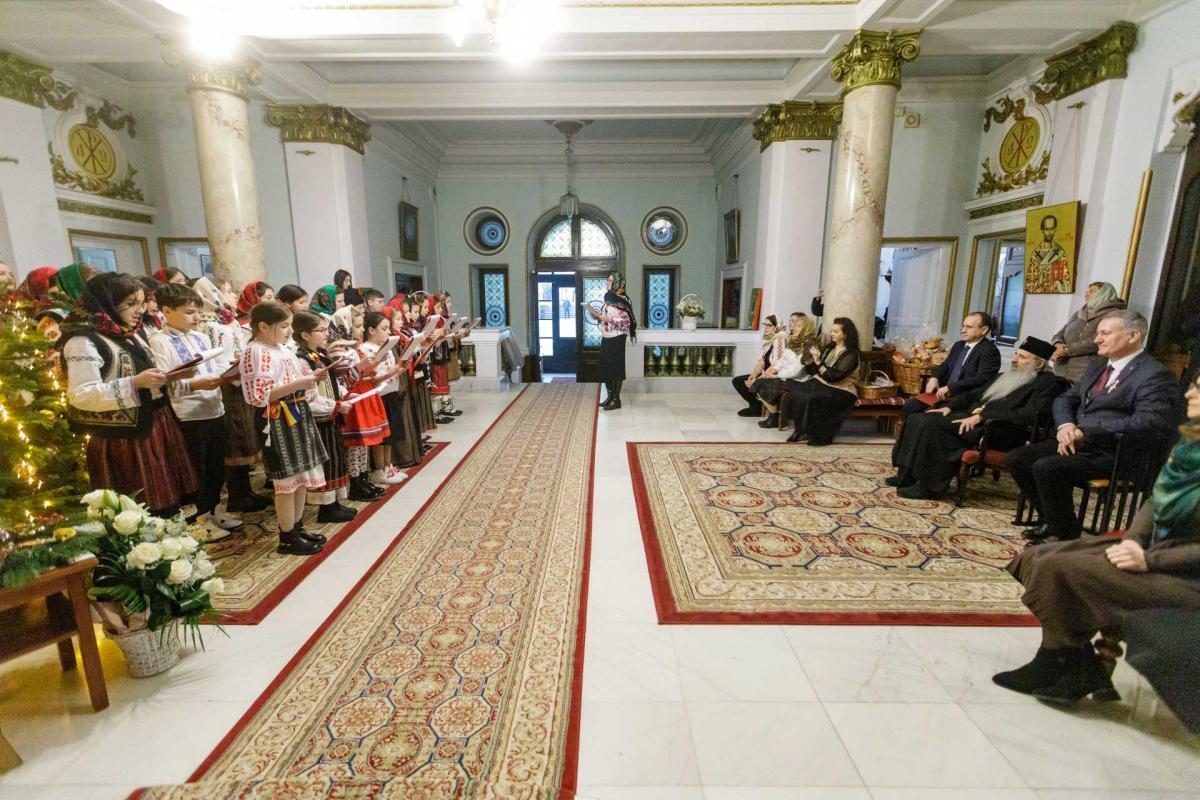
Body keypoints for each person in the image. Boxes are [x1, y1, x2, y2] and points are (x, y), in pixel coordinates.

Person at [993, 371, 1200, 705]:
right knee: (1037, 556)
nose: (1189, 394)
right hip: (1154, 548)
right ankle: (1069, 659)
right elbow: (1156, 500)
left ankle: (1060, 659)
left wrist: (1149, 559)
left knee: (1057, 567)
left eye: (1199, 390)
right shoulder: (1191, 444)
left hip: (1184, 575)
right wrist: (1132, 540)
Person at [1007, 310, 1181, 545]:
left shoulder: (1154, 374)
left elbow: (1148, 421)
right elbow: (1066, 399)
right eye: (1098, 333)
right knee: (1018, 459)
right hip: (1079, 442)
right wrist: (1066, 426)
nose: (1097, 339)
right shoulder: (1098, 365)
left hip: (1116, 451)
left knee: (1048, 467)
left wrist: (1088, 430)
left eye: (1105, 333)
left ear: (1133, 336)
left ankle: (1063, 533)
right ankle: (1055, 520)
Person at [58, 272, 197, 517]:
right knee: (140, 504)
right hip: (124, 438)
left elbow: (144, 375)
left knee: (167, 498)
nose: (139, 311)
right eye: (131, 303)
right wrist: (134, 383)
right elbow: (81, 394)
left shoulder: (130, 333)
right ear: (108, 302)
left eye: (142, 303)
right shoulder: (83, 341)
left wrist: (171, 377)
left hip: (155, 423)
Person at [889, 337, 1063, 499]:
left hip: (1001, 429)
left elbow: (1029, 414)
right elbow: (975, 394)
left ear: (1039, 363)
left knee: (931, 425)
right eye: (1016, 354)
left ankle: (928, 487)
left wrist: (982, 417)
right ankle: (907, 475)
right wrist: (950, 406)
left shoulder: (1048, 383)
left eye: (1022, 357)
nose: (1014, 359)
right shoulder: (1006, 375)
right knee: (917, 418)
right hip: (974, 419)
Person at [148, 283, 242, 540]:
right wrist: (195, 384)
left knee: (216, 467)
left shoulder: (200, 337)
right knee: (196, 470)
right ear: (167, 311)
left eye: (198, 312)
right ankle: (199, 520)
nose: (196, 317)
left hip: (214, 408)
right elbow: (164, 383)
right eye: (189, 312)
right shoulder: (159, 342)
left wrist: (226, 375)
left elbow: (214, 367)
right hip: (188, 414)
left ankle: (213, 511)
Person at [240, 302, 328, 556]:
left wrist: (310, 379)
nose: (290, 331)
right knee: (287, 480)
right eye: (284, 326)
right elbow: (259, 396)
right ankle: (287, 536)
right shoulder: (256, 351)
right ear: (263, 326)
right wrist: (299, 383)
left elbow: (292, 380)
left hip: (297, 411)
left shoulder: (281, 348)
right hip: (277, 418)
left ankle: (297, 527)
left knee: (301, 477)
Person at [194, 277, 269, 513]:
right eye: (227, 291)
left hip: (239, 384)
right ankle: (237, 495)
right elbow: (213, 356)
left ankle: (246, 491)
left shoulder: (229, 319)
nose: (233, 295)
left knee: (244, 438)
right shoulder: (208, 324)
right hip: (225, 387)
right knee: (233, 441)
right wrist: (228, 372)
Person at [292, 310, 358, 523]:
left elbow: (331, 383)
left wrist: (344, 394)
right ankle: (326, 507)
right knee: (325, 463)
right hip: (318, 419)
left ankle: (335, 502)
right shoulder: (302, 361)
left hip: (330, 416)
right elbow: (308, 398)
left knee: (335, 458)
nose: (326, 334)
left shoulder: (319, 355)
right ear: (305, 335)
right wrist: (335, 405)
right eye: (320, 330)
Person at [901, 311, 1002, 417]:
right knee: (909, 406)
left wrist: (951, 387)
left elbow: (982, 379)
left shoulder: (990, 351)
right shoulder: (959, 345)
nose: (963, 330)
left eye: (969, 327)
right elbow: (945, 366)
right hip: (942, 395)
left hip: (963, 399)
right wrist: (934, 378)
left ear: (984, 330)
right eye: (963, 326)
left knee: (924, 419)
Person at [783, 317, 861, 446]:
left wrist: (819, 361)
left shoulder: (851, 354)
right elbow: (813, 371)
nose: (832, 334)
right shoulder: (829, 348)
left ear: (846, 334)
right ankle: (800, 429)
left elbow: (833, 377)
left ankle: (816, 434)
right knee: (795, 393)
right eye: (832, 331)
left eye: (836, 331)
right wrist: (810, 360)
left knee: (813, 398)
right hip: (823, 384)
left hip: (842, 389)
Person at [360, 311, 409, 485]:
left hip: (391, 393)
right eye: (384, 328)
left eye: (388, 328)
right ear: (371, 330)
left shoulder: (385, 347)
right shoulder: (366, 350)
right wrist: (392, 372)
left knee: (391, 434)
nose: (388, 332)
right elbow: (371, 379)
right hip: (379, 396)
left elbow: (390, 372)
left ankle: (388, 466)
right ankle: (379, 469)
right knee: (381, 437)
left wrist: (400, 369)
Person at [749, 314, 818, 428]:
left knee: (762, 383)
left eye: (799, 327)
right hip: (787, 377)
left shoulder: (808, 345)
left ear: (807, 329)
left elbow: (796, 371)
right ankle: (773, 416)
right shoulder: (793, 341)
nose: (794, 328)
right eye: (795, 326)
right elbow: (782, 359)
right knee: (759, 382)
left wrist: (776, 376)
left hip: (800, 382)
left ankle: (774, 417)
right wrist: (774, 370)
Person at [1050, 281, 1127, 382]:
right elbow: (1062, 331)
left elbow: (1097, 341)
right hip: (1060, 369)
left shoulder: (1114, 314)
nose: (1086, 294)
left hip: (1084, 373)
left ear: (1104, 293)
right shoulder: (1080, 312)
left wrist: (1067, 350)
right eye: (1087, 291)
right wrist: (1057, 344)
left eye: (1091, 291)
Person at [588, 272, 637, 410]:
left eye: (610, 281)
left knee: (616, 369)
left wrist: (610, 319)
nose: (607, 283)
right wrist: (598, 317)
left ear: (617, 283)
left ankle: (616, 399)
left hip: (617, 338)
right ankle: (610, 397)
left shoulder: (623, 300)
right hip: (607, 337)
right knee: (606, 368)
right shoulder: (608, 298)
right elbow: (606, 315)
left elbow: (627, 322)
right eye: (607, 280)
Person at [732, 315, 782, 417]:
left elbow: (776, 365)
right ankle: (755, 406)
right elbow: (762, 362)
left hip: (774, 376)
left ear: (776, 327)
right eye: (765, 324)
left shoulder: (780, 340)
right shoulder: (768, 340)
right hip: (765, 374)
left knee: (754, 383)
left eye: (769, 325)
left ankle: (757, 408)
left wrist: (758, 380)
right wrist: (754, 375)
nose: (766, 327)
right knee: (739, 381)